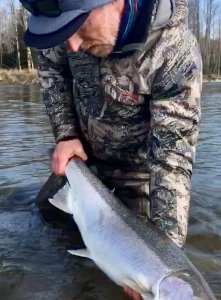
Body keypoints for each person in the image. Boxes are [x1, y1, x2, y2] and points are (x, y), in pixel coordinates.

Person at [20, 0, 202, 299]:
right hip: (81, 162)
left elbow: (172, 158)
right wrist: (65, 134)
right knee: (39, 225)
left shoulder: (175, 53)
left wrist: (158, 257)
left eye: (79, 28)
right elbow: (50, 66)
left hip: (138, 176)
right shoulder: (63, 13)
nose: (73, 46)